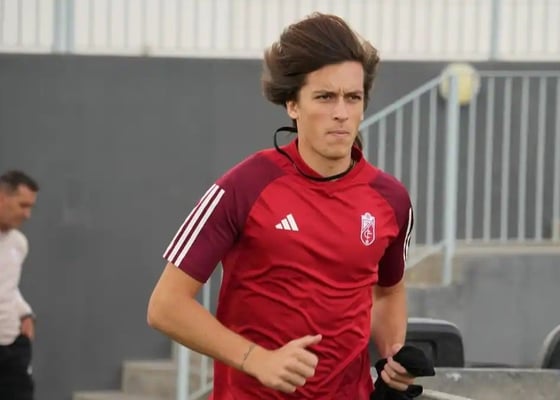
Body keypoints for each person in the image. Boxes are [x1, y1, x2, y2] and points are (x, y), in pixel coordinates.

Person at [148, 13, 415, 399]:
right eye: (325, 97)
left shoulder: (391, 199)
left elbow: (388, 292)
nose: (341, 113)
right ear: (293, 104)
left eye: (353, 98)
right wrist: (256, 359)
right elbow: (165, 306)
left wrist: (393, 356)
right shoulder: (244, 187)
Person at [0, 170, 39, 400]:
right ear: (2, 198)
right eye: (22, 205)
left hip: (12, 347)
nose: (27, 214)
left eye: (31, 207)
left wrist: (25, 312)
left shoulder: (19, 243)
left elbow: (8, 286)